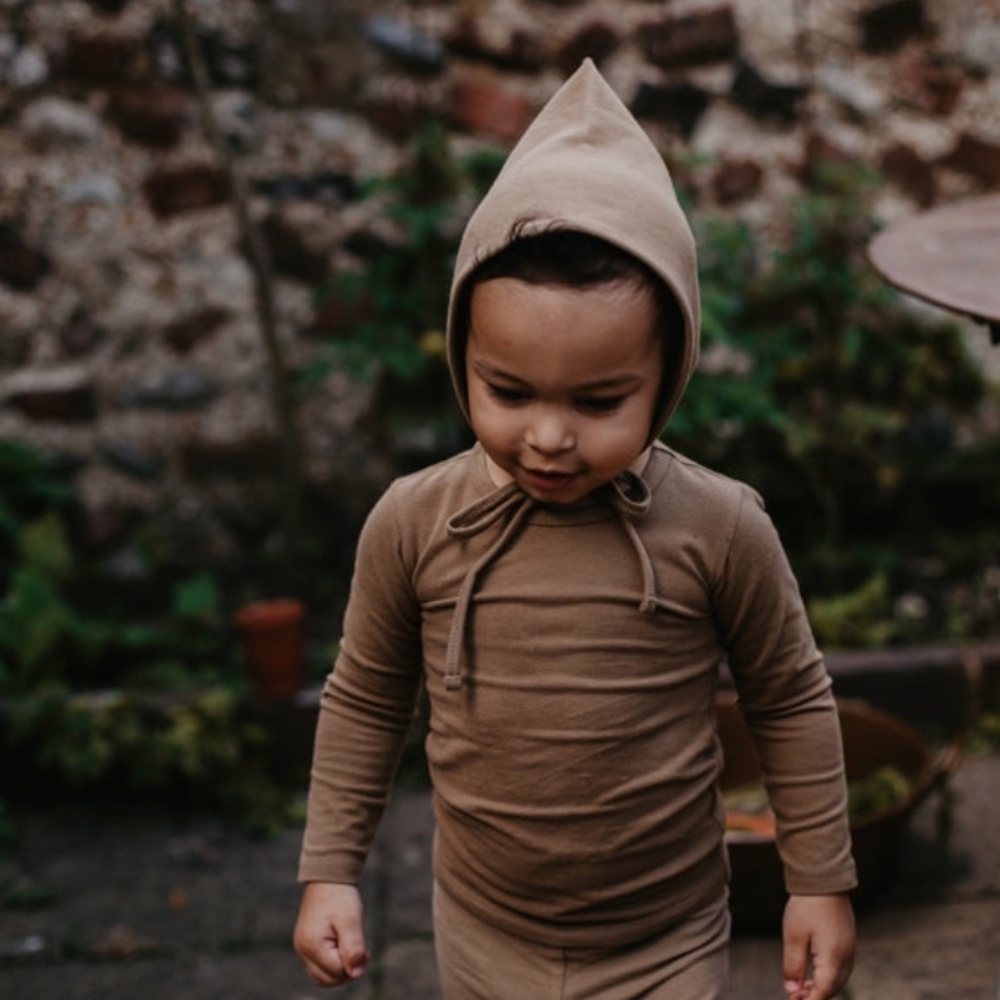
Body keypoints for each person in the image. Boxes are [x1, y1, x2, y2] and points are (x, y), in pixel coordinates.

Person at [293, 59, 857, 1000]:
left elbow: (791, 699)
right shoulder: (414, 523)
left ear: (668, 370)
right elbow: (364, 699)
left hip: (667, 938)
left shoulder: (720, 528)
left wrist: (820, 880)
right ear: (463, 354)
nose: (548, 437)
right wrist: (329, 869)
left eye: (599, 400)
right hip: (482, 931)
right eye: (507, 391)